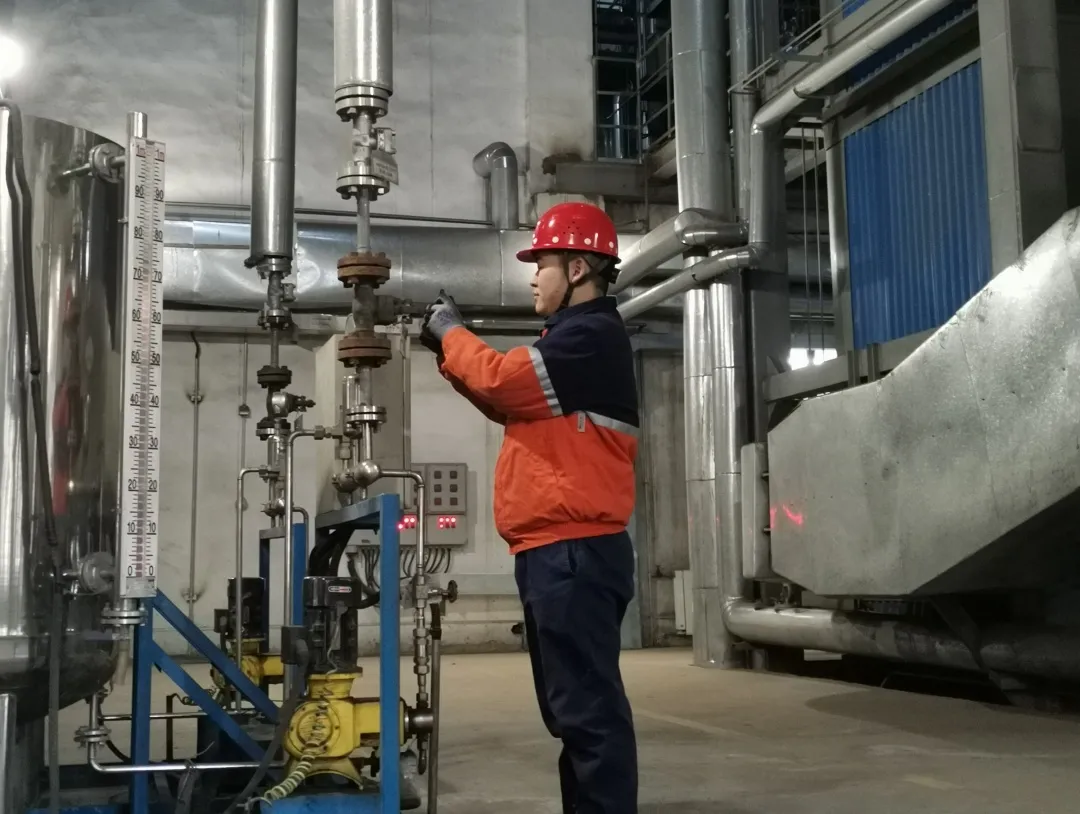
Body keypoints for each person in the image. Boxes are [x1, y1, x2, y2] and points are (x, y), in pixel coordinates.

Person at [420, 202, 639, 814]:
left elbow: (502, 381)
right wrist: (447, 350)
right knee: (572, 712)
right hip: (557, 551)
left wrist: (452, 332)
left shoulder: (589, 337)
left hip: (574, 552)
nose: (533, 279)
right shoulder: (571, 342)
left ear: (577, 269)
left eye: (540, 265)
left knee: (588, 714)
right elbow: (502, 400)